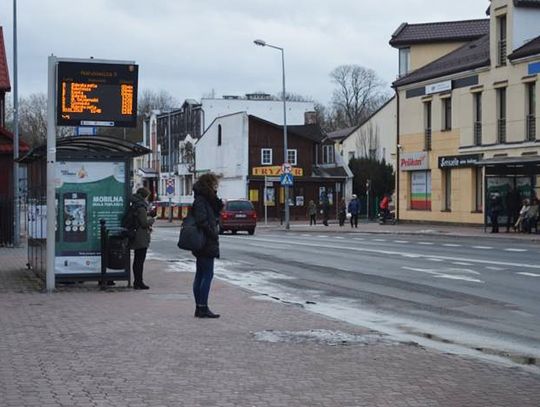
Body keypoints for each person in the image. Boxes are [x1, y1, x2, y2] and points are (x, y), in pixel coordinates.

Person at [191, 172, 223, 318]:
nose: (216, 186)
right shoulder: (201, 200)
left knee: (201, 274)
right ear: (209, 184)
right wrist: (212, 233)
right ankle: (202, 307)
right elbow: (202, 220)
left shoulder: (204, 198)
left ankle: (200, 307)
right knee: (207, 275)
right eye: (214, 184)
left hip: (203, 241)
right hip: (205, 241)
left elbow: (216, 210)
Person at [129, 187, 155, 290]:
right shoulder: (141, 206)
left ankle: (137, 281)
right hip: (141, 236)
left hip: (136, 234)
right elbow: (144, 223)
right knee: (139, 260)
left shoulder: (134, 203)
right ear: (144, 196)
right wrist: (152, 220)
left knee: (137, 260)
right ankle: (138, 282)